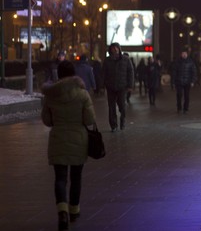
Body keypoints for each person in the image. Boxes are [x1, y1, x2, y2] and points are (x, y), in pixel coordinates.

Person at [41, 60, 96, 231]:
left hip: (58, 139)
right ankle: (74, 210)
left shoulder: (51, 95)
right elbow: (89, 119)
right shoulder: (82, 94)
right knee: (76, 177)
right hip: (78, 139)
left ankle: (62, 211)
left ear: (59, 74)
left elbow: (47, 120)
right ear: (74, 74)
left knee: (60, 178)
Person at [102, 43, 134, 131]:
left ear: (119, 49)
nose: (115, 49)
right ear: (110, 50)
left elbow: (130, 72)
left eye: (116, 48)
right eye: (113, 48)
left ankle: (122, 120)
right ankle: (113, 125)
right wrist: (103, 85)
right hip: (110, 87)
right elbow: (103, 73)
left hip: (122, 87)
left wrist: (130, 85)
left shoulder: (126, 59)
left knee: (122, 106)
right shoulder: (107, 60)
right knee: (111, 107)